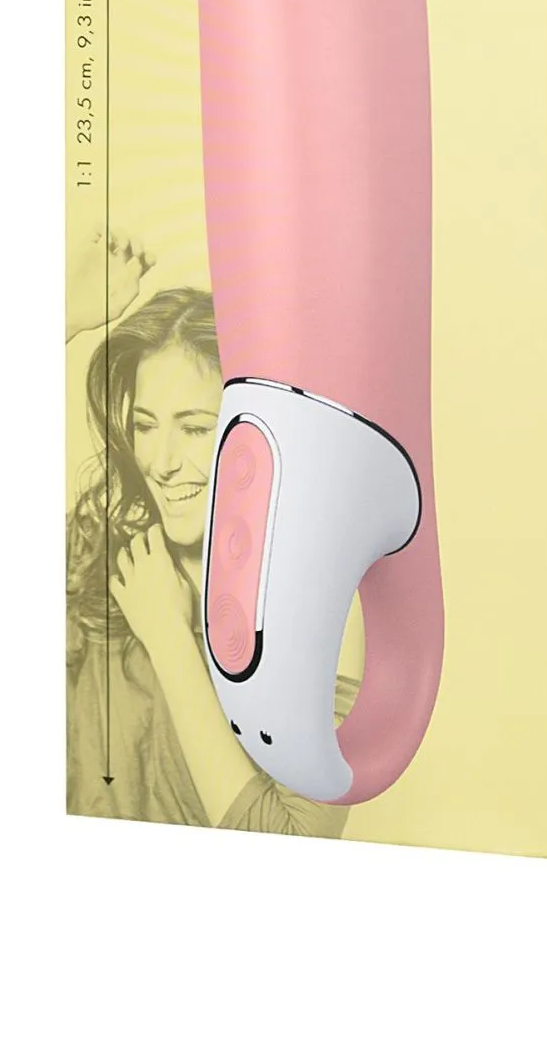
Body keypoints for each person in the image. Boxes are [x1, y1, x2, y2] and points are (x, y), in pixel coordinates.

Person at [66, 231, 360, 833]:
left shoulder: (316, 619)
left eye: (195, 429)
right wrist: (65, 316)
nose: (161, 462)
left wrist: (169, 638)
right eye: (145, 426)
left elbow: (284, 847)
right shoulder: (95, 564)